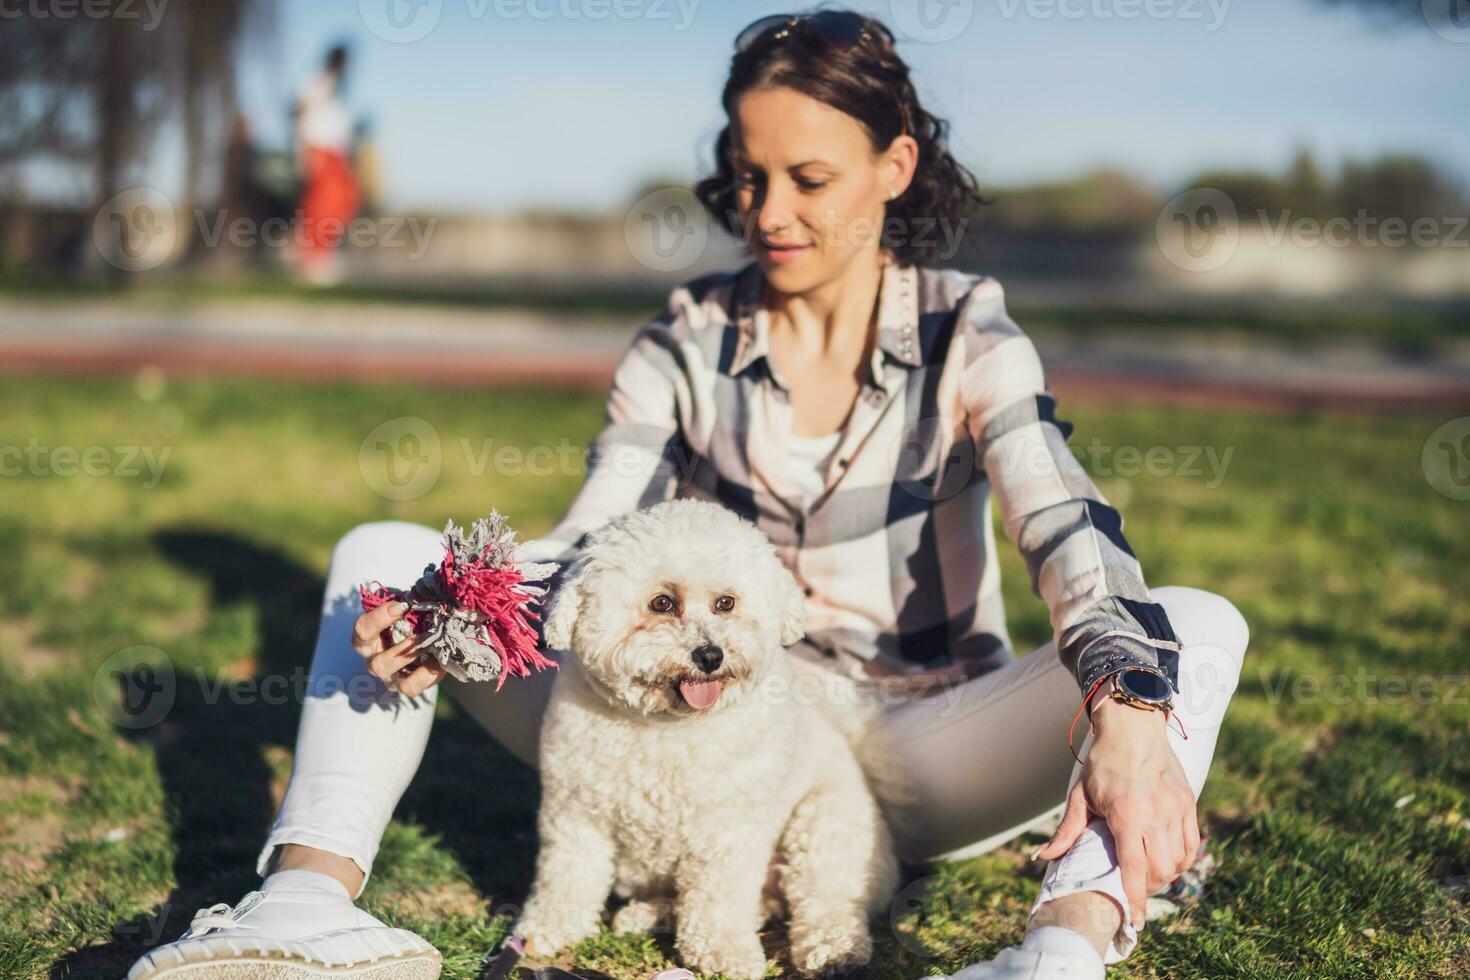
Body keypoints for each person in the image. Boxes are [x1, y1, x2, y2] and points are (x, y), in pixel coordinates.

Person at [126, 10, 1249, 980]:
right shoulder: (683, 341)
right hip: (695, 726)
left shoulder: (970, 329)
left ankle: (1060, 948)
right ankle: (305, 904)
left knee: (1193, 629)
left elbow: (1066, 526)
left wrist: (1126, 707)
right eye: (752, 178)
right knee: (384, 550)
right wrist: (449, 607)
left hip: (922, 739)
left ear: (894, 167)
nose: (769, 212)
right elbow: (594, 537)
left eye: (811, 180)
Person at [292, 43, 358, 287]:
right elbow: (301, 115)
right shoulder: (316, 83)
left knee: (343, 202)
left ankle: (322, 256)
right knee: (319, 207)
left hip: (336, 153)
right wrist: (304, 151)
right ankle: (311, 261)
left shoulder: (339, 90)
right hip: (317, 149)